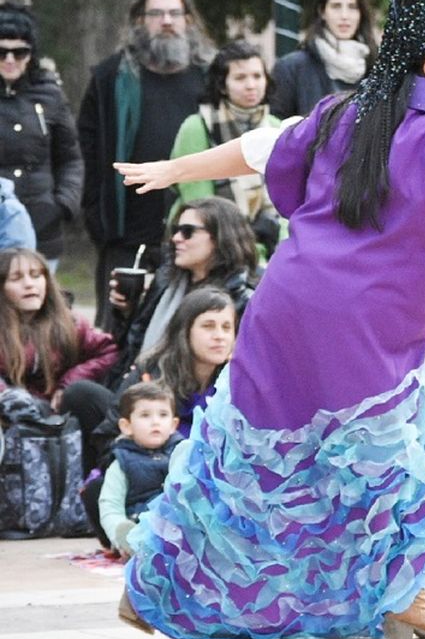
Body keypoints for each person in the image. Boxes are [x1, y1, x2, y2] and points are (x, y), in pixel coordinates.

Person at [110, 0, 425, 639]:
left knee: (248, 456)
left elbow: (259, 147)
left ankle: (148, 586)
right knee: (404, 450)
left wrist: (174, 171)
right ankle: (407, 594)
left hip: (286, 307)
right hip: (369, 324)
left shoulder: (345, 111)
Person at [77, 0, 212, 329]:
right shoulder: (111, 78)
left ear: (188, 20)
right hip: (128, 231)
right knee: (117, 334)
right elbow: (88, 153)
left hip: (196, 231)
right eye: (156, 13)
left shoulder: (210, 76)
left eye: (174, 13)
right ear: (139, 21)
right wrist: (97, 220)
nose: (166, 21)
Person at [72, 287, 236, 536]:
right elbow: (109, 434)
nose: (219, 336)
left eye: (227, 327)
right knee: (99, 488)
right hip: (147, 480)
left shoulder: (234, 382)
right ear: (185, 331)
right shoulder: (149, 374)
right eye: (208, 326)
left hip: (207, 486)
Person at [108, 196, 257, 384]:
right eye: (175, 230)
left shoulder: (241, 298)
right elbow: (130, 349)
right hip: (138, 386)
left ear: (221, 238)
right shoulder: (166, 281)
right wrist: (126, 312)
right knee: (81, 395)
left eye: (188, 232)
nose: (176, 238)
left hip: (183, 399)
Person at [169, 40, 283, 253]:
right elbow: (199, 207)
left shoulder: (276, 127)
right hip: (210, 250)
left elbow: (288, 201)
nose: (251, 85)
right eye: (240, 77)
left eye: (257, 76)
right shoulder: (197, 128)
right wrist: (250, 246)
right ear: (222, 85)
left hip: (271, 249)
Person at [0, 3, 82, 267]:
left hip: (42, 226)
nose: (10, 60)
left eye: (19, 52)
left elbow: (71, 158)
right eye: (1, 52)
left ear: (31, 54)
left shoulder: (50, 94)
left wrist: (61, 205)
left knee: (36, 301)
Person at [0, 247, 117, 408]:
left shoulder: (71, 323)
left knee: (82, 392)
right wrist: (9, 397)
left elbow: (108, 352)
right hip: (6, 414)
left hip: (55, 415)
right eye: (16, 278)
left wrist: (69, 382)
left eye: (36, 276)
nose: (29, 284)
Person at [268, 0, 376, 120]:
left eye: (353, 7)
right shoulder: (291, 68)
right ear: (322, 11)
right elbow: (276, 130)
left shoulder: (377, 70)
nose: (344, 16)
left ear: (361, 14)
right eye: (336, 6)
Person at [95, 381, 183, 558]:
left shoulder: (182, 454)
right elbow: (110, 505)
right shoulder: (122, 461)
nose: (155, 421)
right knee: (136, 532)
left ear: (173, 425)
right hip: (141, 521)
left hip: (178, 522)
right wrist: (118, 532)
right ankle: (134, 545)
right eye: (145, 415)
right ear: (126, 426)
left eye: (163, 414)